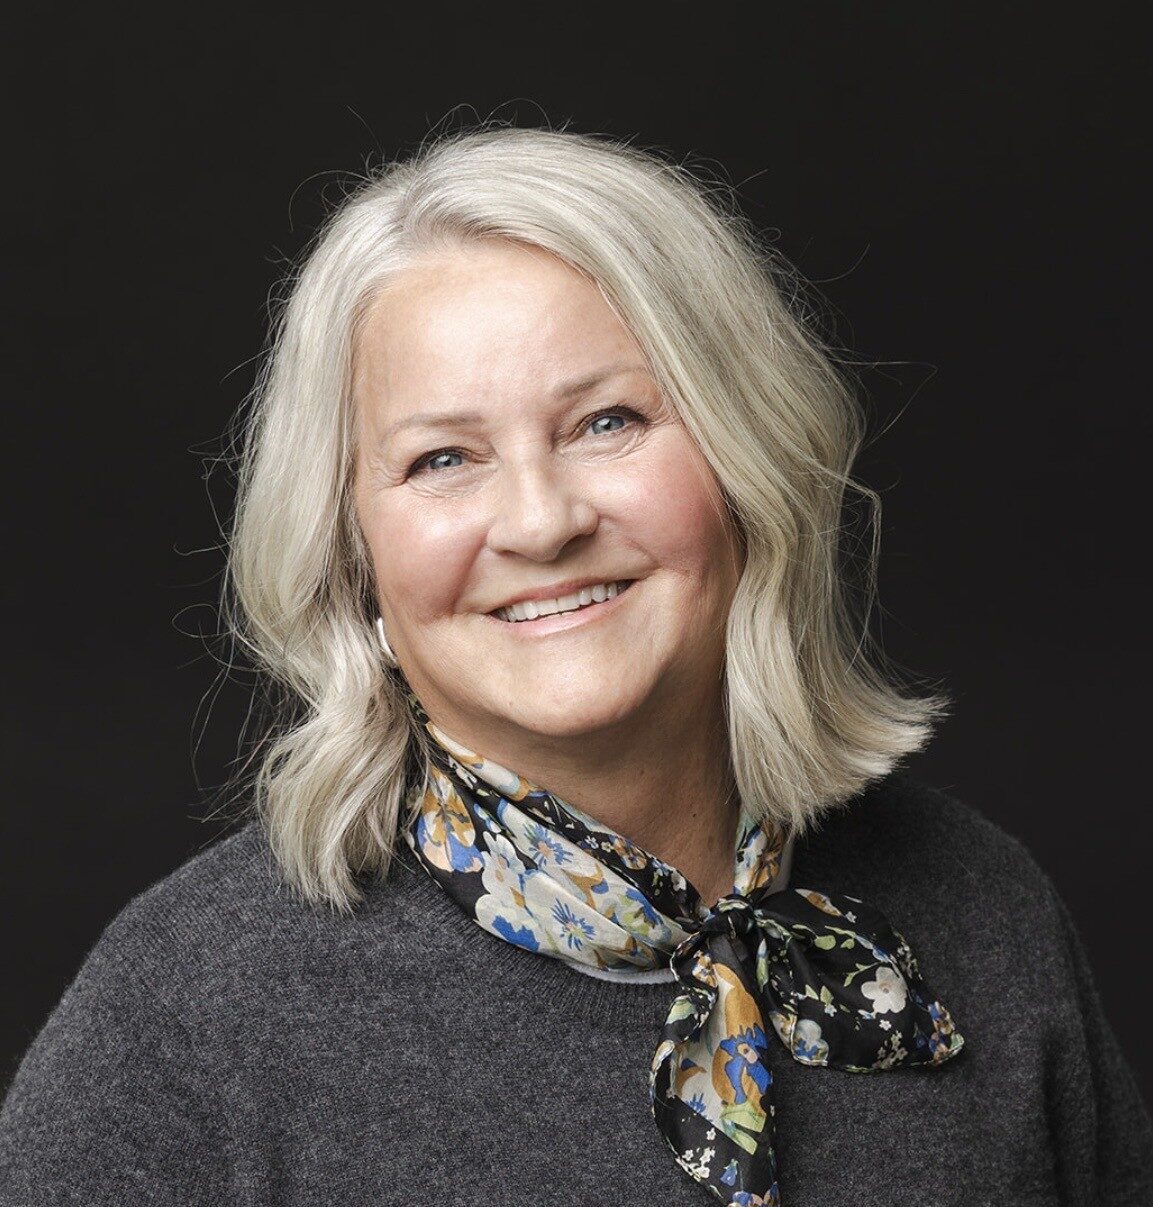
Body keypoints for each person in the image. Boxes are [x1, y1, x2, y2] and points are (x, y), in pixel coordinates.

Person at [2, 126, 1150, 1207]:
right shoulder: (188, 1016)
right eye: (442, 458)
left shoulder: (980, 905)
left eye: (606, 422)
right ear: (351, 554)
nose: (541, 522)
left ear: (747, 457)